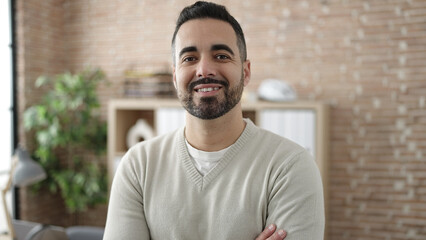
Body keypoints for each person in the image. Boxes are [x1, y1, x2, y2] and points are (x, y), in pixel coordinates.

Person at [103, 1, 325, 239]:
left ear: (246, 71)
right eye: (189, 58)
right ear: (175, 76)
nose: (204, 69)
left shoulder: (289, 167)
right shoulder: (138, 167)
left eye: (221, 56)